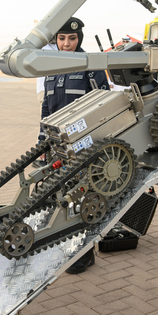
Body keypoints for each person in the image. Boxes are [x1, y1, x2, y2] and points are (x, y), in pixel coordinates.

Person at [39, 17, 109, 275]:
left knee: (82, 198)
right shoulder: (50, 68)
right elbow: (46, 109)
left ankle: (84, 253)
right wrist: (41, 143)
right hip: (57, 146)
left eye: (72, 38)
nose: (67, 43)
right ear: (55, 40)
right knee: (59, 198)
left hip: (82, 146)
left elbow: (102, 106)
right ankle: (64, 247)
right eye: (61, 38)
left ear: (79, 39)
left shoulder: (92, 67)